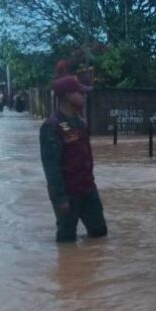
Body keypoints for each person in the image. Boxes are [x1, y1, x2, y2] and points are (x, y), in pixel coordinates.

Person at [40, 75, 108, 242]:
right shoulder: (52, 126)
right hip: (67, 193)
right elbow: (51, 168)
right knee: (66, 239)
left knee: (99, 234)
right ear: (68, 95)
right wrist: (60, 199)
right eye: (80, 92)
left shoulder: (80, 121)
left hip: (88, 189)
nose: (84, 96)